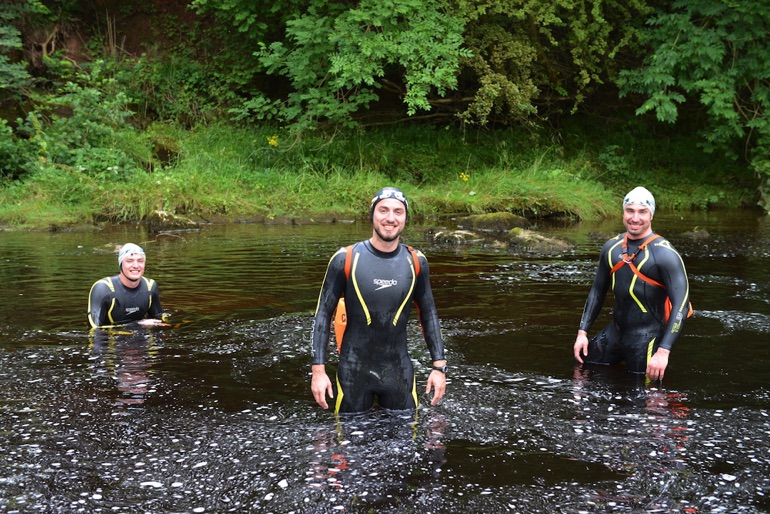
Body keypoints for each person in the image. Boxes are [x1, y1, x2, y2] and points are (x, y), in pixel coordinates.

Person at [310, 187, 447, 414]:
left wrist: (439, 367)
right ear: (372, 214)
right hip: (353, 371)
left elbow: (429, 313)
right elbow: (323, 315)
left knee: (405, 444)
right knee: (348, 445)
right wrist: (318, 371)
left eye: (398, 211)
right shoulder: (346, 258)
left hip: (398, 371)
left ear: (405, 218)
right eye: (383, 210)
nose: (390, 218)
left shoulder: (416, 262)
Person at [574, 186, 691, 382]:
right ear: (623, 212)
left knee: (641, 399)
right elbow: (597, 291)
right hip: (616, 331)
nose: (635, 218)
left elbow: (681, 305)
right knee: (582, 367)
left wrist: (664, 351)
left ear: (651, 215)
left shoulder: (665, 255)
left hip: (647, 338)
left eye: (642, 212)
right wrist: (582, 332)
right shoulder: (611, 248)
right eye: (630, 210)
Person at [87, 243, 164, 328]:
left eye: (140, 261)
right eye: (129, 261)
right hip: (112, 339)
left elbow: (159, 318)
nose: (136, 265)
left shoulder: (150, 286)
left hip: (140, 338)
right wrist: (137, 324)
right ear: (121, 264)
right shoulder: (103, 288)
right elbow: (94, 330)